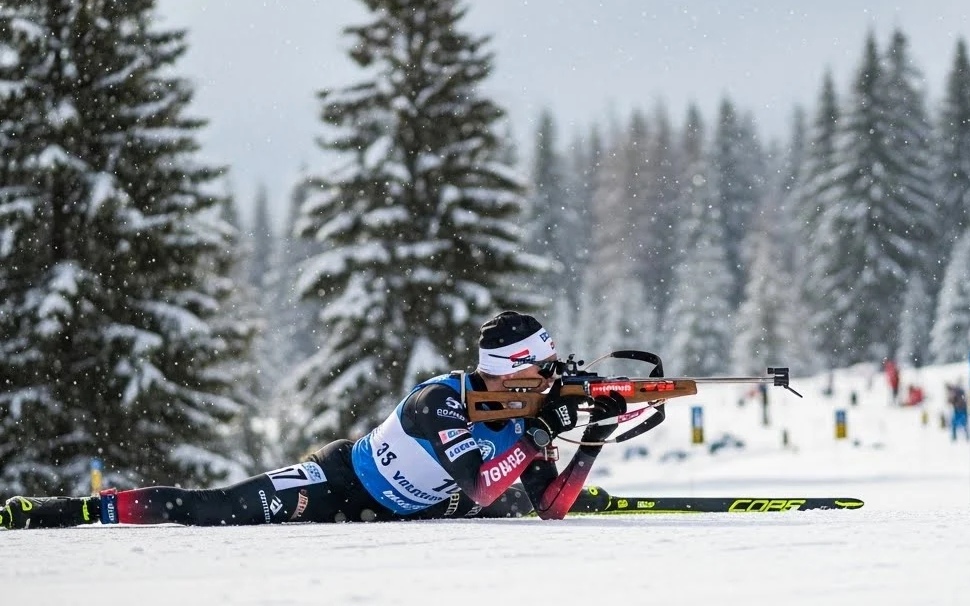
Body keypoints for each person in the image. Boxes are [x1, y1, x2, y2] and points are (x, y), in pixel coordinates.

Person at [2, 311, 623, 530]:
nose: (549, 381)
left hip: (426, 507)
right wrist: (538, 435)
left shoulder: (525, 416)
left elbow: (551, 507)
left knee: (519, 514)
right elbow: (482, 484)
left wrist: (591, 435)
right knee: (206, 510)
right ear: (510, 370)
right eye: (540, 370)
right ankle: (66, 510)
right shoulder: (441, 401)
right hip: (338, 483)